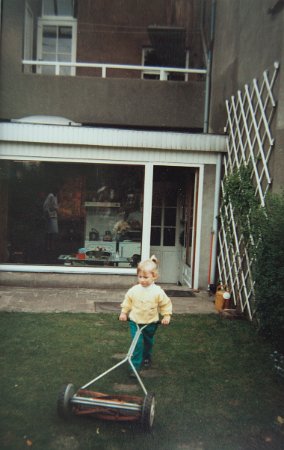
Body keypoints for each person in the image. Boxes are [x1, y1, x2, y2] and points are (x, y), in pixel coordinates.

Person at [119, 255, 172, 376]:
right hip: (135, 321)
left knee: (148, 342)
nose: (142, 280)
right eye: (140, 277)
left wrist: (166, 316)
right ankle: (134, 366)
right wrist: (123, 312)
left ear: (154, 276)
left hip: (151, 322)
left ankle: (147, 357)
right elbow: (128, 301)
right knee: (137, 344)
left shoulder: (158, 291)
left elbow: (165, 303)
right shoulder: (134, 290)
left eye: (146, 277)